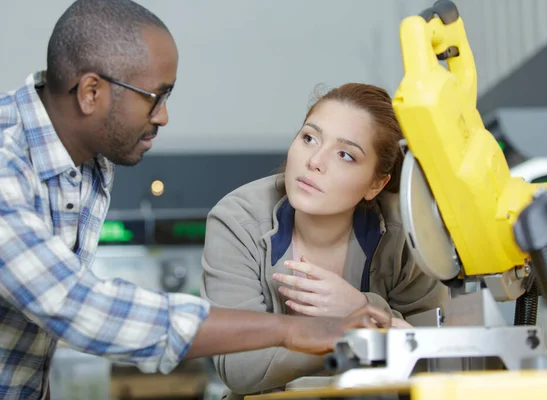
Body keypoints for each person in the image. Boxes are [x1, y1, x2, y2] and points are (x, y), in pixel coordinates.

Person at [0, 1, 391, 399]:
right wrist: (295, 329)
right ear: (91, 92)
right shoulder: (5, 161)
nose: (164, 116)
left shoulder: (88, 164)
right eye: (155, 96)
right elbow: (79, 309)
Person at [199, 82, 449, 399]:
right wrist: (348, 332)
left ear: (376, 183)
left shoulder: (406, 232)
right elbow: (240, 369)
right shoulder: (237, 221)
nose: (315, 160)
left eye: (345, 154)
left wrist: (361, 306)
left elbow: (439, 360)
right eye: (309, 138)